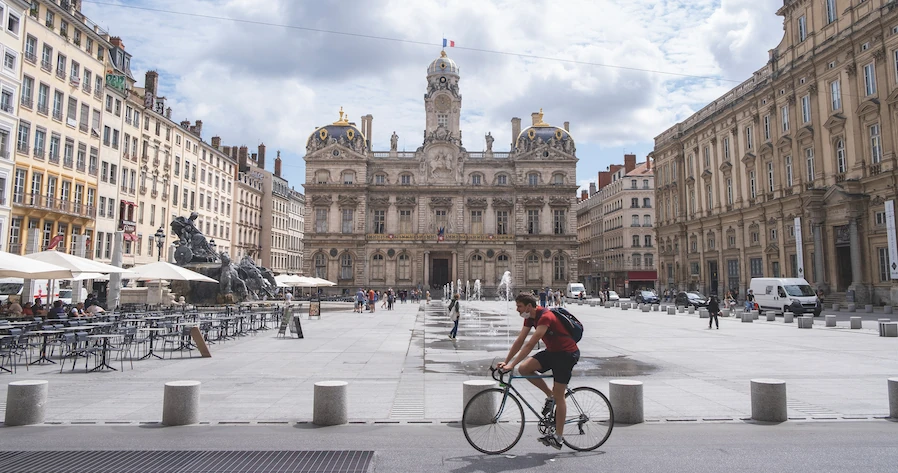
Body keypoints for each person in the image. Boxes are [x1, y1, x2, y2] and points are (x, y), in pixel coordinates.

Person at [498, 293, 580, 450]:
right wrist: (507, 361)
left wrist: (511, 365)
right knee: (524, 368)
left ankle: (558, 438)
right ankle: (550, 396)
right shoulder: (530, 317)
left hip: (566, 354)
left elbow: (530, 345)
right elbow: (520, 340)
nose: (517, 309)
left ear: (529, 306)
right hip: (553, 351)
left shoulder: (545, 317)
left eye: (519, 306)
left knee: (560, 395)